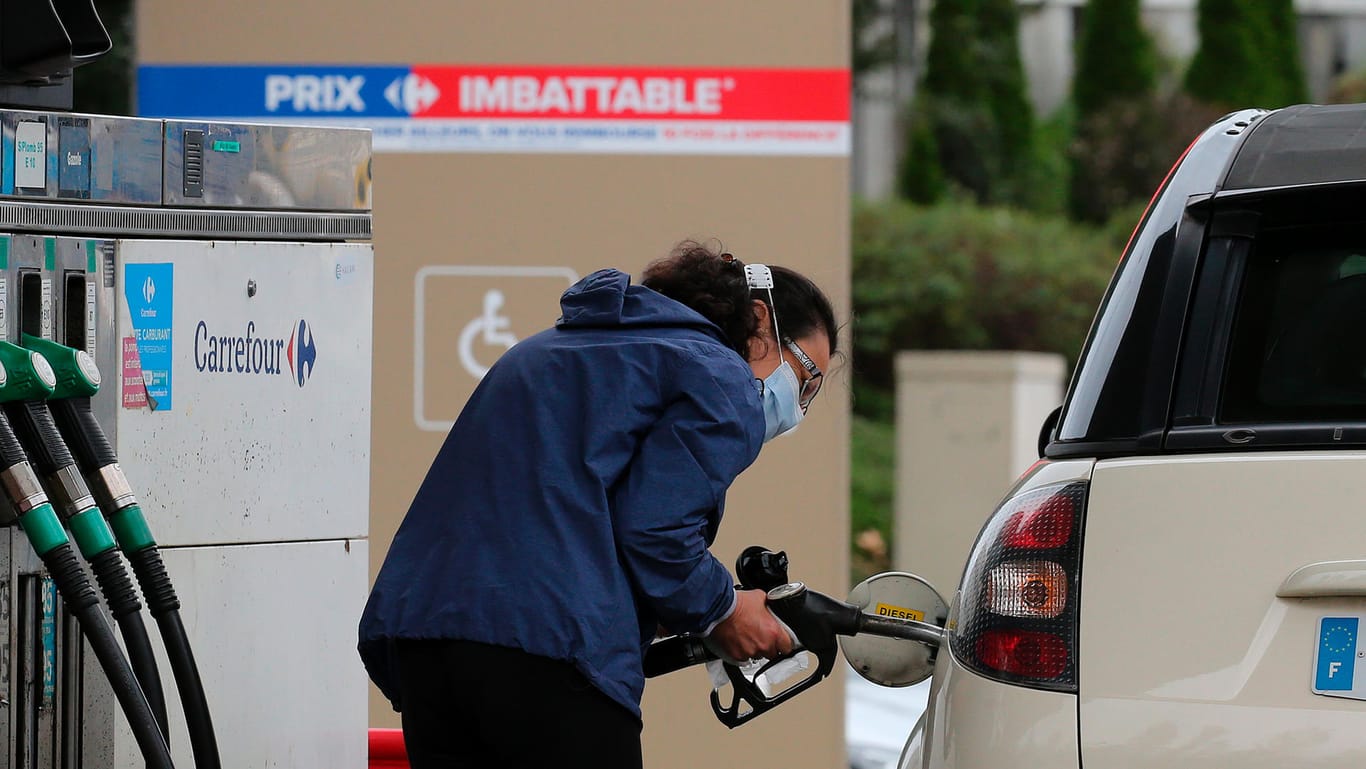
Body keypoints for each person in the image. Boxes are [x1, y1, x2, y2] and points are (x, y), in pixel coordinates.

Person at [358, 240, 838, 768]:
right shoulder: (719, 374)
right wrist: (722, 608)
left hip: (428, 651)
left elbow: (568, 518)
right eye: (805, 378)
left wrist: (674, 614)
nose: (797, 406)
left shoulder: (545, 350)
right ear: (758, 319)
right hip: (550, 659)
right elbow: (654, 531)